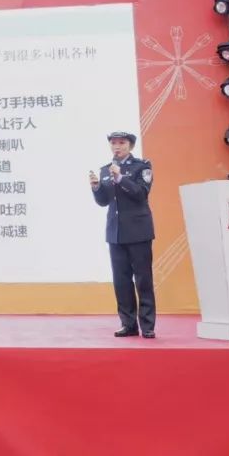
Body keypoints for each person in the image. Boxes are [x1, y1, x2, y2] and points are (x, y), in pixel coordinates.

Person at [89, 131, 156, 339]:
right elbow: (104, 202)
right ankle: (128, 324)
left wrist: (120, 178)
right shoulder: (105, 169)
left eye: (121, 143)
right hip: (115, 233)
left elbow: (141, 194)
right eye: (113, 143)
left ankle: (147, 326)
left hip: (138, 232)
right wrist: (96, 188)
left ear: (130, 146)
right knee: (121, 281)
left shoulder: (141, 167)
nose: (117, 147)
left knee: (143, 280)